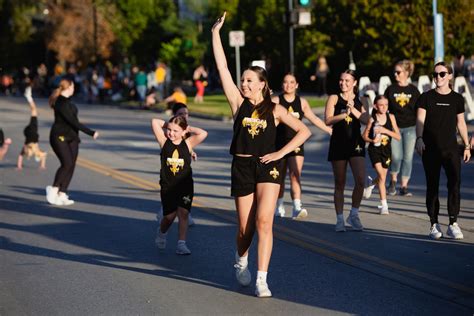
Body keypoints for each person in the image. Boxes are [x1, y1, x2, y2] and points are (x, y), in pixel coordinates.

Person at [212, 12, 311, 298]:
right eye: (242, 80)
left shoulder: (276, 109)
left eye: (249, 81)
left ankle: (262, 279)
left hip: (269, 167)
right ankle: (241, 258)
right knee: (245, 228)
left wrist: (280, 152)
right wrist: (215, 34)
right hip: (242, 167)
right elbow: (222, 68)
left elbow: (304, 132)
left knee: (264, 221)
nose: (244, 84)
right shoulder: (237, 103)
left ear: (262, 84)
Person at [415, 61, 471, 240]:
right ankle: (434, 224)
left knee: (455, 184)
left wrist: (467, 145)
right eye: (435, 74)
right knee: (433, 186)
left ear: (449, 76)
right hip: (430, 149)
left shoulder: (457, 98)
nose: (438, 77)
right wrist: (419, 138)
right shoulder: (426, 97)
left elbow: (461, 123)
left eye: (442, 74)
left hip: (451, 149)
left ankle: (453, 223)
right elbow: (420, 121)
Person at [273, 73, 332, 218]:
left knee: (295, 174)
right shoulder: (276, 100)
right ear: (282, 85)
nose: (289, 85)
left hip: (297, 144)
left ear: (297, 85)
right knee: (278, 178)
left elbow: (313, 119)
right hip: (278, 144)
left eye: (292, 82)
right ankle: (279, 206)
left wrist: (329, 130)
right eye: (285, 82)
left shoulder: (302, 102)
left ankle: (296, 207)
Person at [151, 115, 207, 255]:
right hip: (168, 186)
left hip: (185, 185)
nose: (171, 133)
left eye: (176, 131)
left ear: (183, 132)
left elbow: (203, 133)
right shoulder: (164, 142)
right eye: (169, 129)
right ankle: (162, 232)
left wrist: (188, 128)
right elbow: (154, 122)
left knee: (184, 213)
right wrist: (169, 124)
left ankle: (181, 244)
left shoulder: (188, 144)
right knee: (169, 217)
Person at [325, 69, 369, 232]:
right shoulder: (334, 98)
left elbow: (366, 119)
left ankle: (354, 214)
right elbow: (328, 120)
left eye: (347, 80)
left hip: (356, 143)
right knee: (340, 183)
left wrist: (354, 110)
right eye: (341, 80)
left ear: (355, 83)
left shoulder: (362, 99)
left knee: (360, 180)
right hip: (338, 143)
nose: (343, 83)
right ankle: (339, 219)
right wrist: (344, 115)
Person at [46, 78, 99, 206]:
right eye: (73, 87)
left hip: (72, 138)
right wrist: (91, 132)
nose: (74, 89)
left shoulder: (68, 102)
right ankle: (53, 189)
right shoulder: (60, 103)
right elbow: (73, 122)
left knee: (71, 165)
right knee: (66, 163)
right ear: (68, 87)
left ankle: (62, 193)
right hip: (59, 137)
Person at [384, 60, 420, 196]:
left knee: (408, 157)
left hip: (410, 127)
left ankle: (404, 186)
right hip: (394, 128)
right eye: (394, 71)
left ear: (406, 73)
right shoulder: (391, 89)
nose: (395, 74)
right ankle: (393, 181)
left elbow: (419, 110)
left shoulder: (413, 90)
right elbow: (383, 106)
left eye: (398, 72)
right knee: (396, 156)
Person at [362, 95, 400, 214]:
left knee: (382, 177)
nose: (384, 107)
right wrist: (371, 140)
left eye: (386, 105)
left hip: (386, 150)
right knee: (382, 177)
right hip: (375, 150)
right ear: (375, 106)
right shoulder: (372, 119)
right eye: (381, 105)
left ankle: (371, 183)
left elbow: (397, 136)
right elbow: (364, 136)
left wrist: (385, 131)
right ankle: (384, 205)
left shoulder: (391, 117)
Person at [17, 83, 47, 170]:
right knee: (34, 111)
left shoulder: (34, 149)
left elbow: (43, 155)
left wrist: (42, 165)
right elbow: (20, 156)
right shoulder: (27, 147)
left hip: (32, 130)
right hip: (27, 131)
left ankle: (28, 96)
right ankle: (28, 96)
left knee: (34, 110)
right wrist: (19, 166)